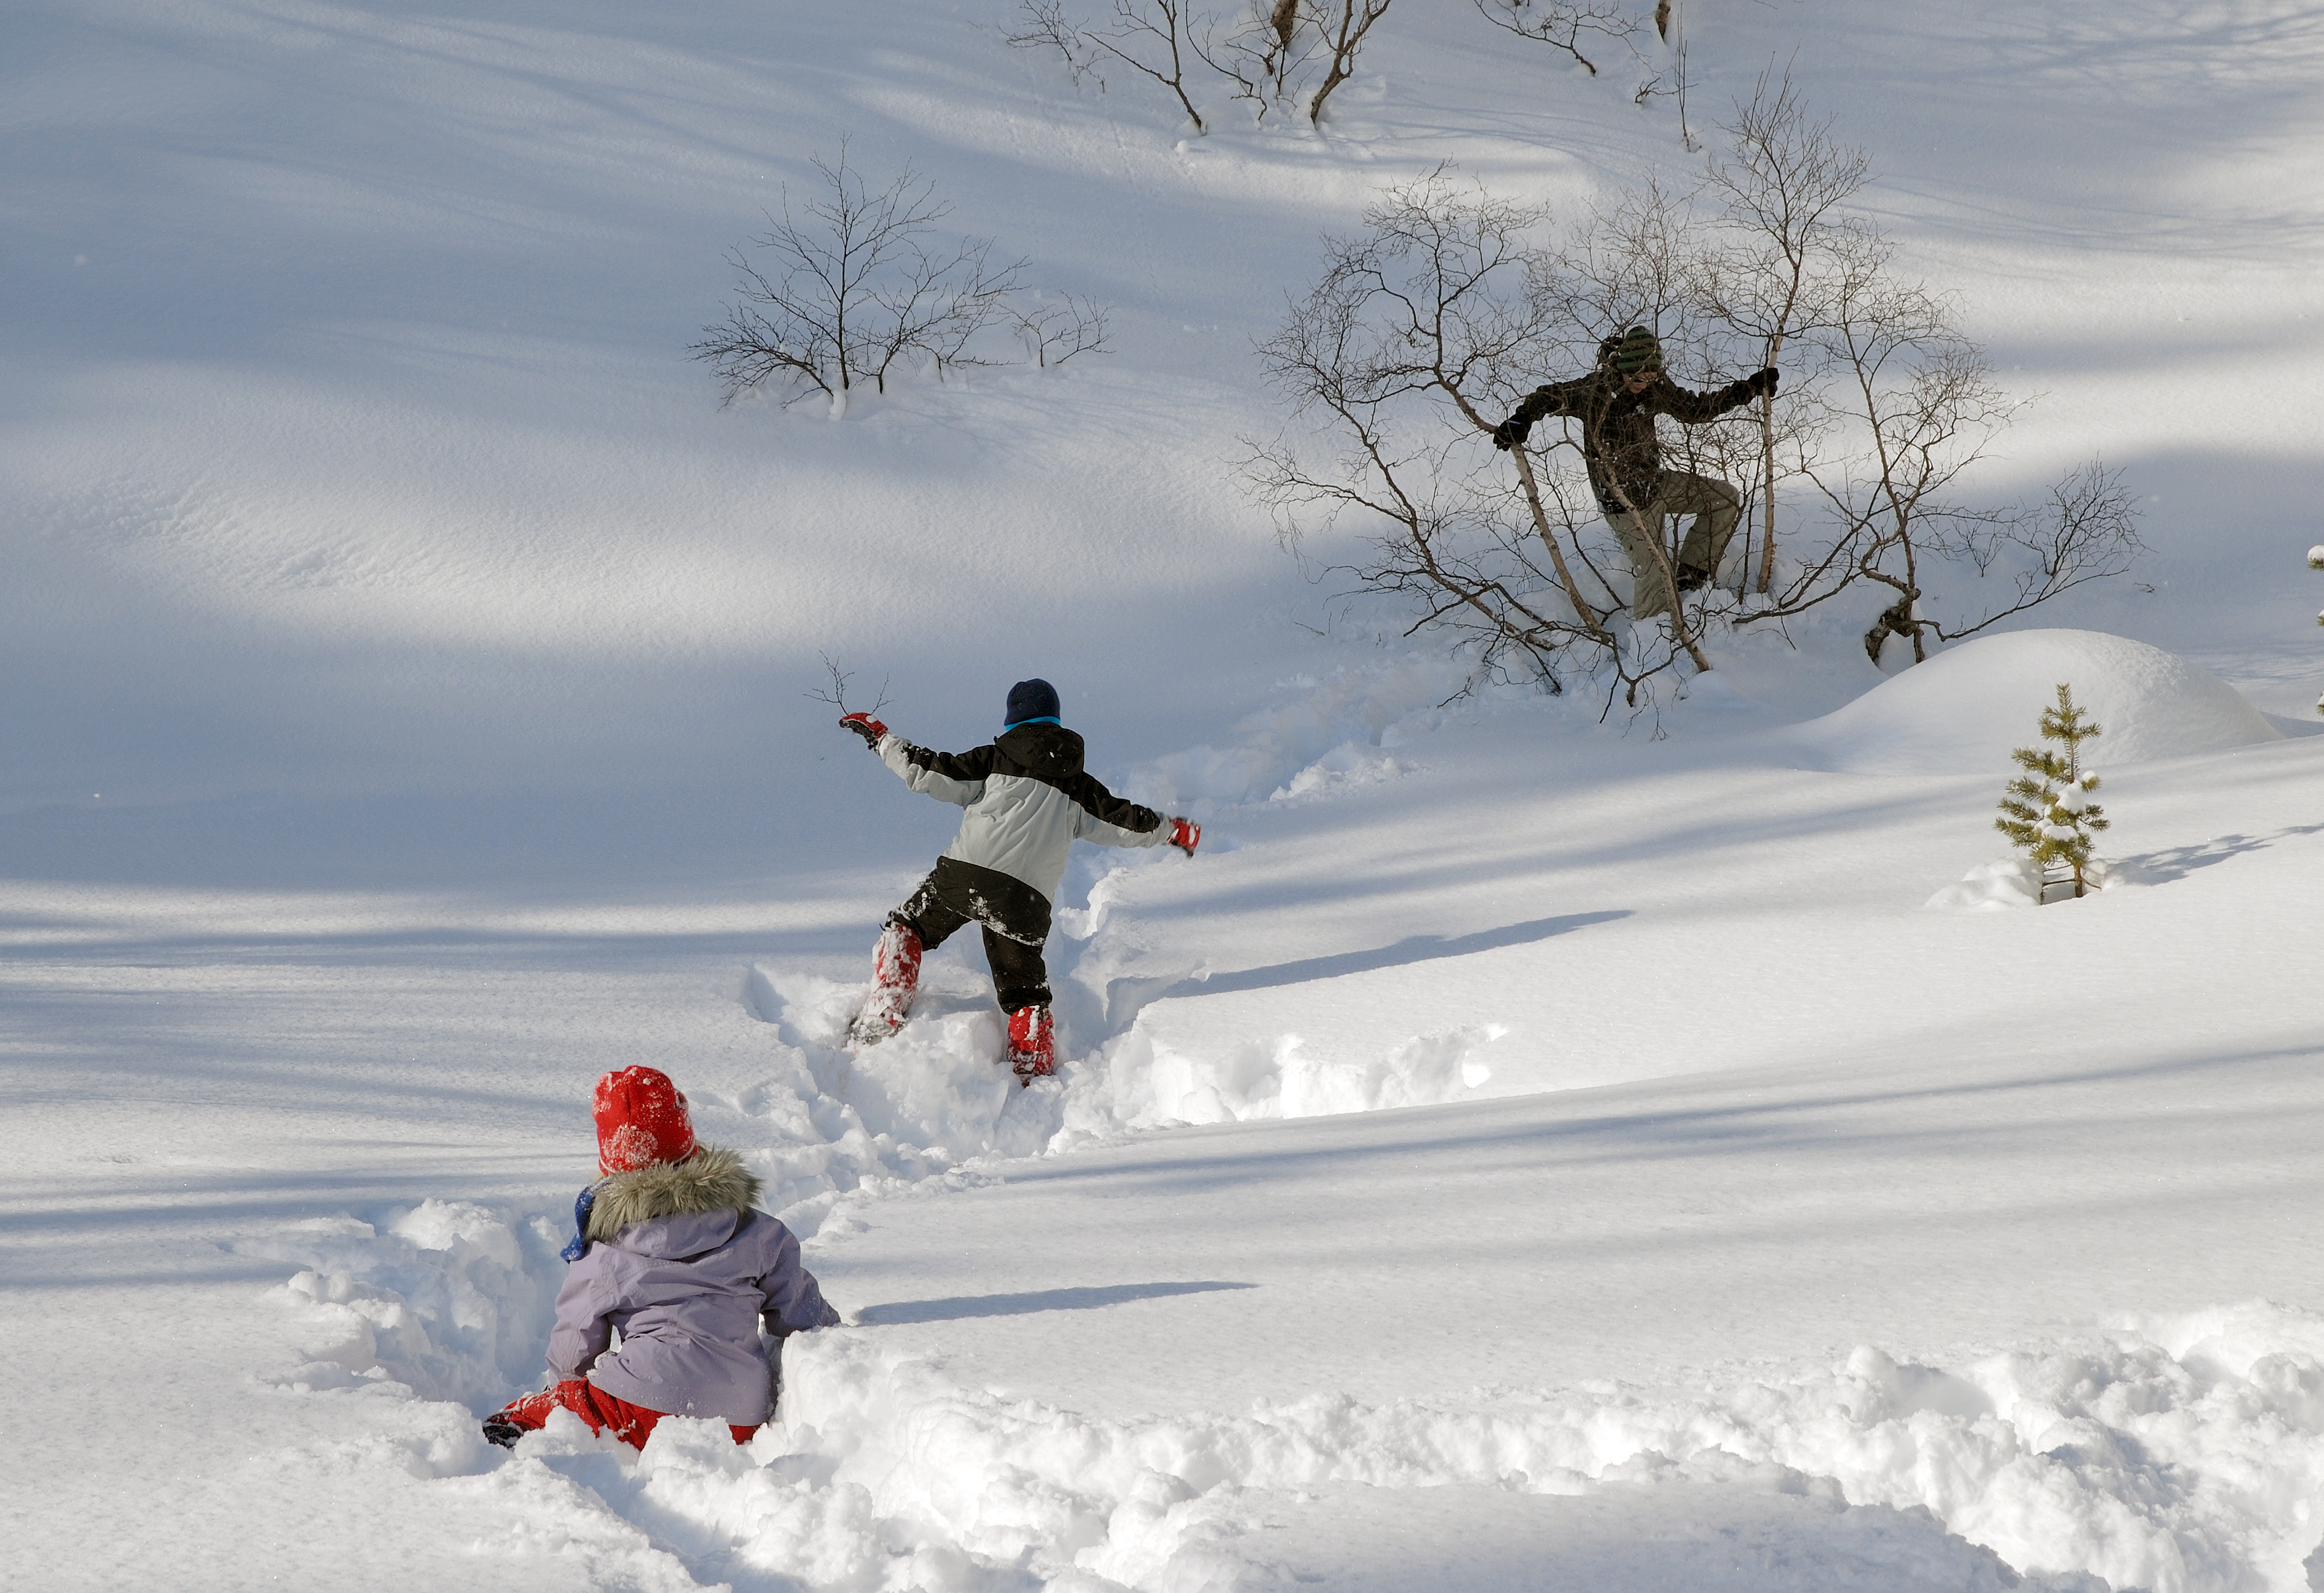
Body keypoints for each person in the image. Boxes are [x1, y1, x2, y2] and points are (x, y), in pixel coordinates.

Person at [836, 678, 1200, 1080]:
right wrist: (1172, 831)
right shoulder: (1078, 785)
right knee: (1025, 992)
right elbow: (1125, 821)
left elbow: (929, 771)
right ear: (1056, 720)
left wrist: (883, 739)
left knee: (908, 926)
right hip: (1024, 902)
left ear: (1012, 721)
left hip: (966, 876)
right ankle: (1031, 1073)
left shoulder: (993, 759)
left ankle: (885, 1008)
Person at [481, 1066, 840, 1452]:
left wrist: (568, 1386)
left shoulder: (605, 1251)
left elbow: (573, 1349)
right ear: (690, 1146)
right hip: (742, 1413)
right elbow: (802, 1314)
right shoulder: (758, 1231)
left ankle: (505, 1446)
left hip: (640, 1406)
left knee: (534, 1414)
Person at [1492, 326, 1777, 619]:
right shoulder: (1594, 390)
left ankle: (1689, 580)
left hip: (1655, 483)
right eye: (1638, 379)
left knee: (1724, 499)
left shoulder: (1655, 386)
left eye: (1651, 378)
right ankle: (1653, 636)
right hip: (1621, 499)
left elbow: (1695, 409)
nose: (1644, 385)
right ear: (1623, 371)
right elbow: (1549, 396)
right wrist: (1521, 419)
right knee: (1655, 570)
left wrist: (1749, 389)